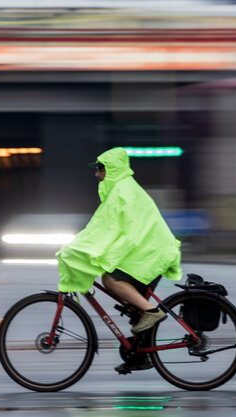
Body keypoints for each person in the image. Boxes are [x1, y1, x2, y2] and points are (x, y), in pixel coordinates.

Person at [55, 147, 183, 373]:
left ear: (112, 169)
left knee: (111, 280)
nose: (97, 175)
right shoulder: (123, 189)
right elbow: (105, 229)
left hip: (150, 253)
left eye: (100, 169)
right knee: (131, 304)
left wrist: (84, 251)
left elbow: (110, 231)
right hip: (149, 251)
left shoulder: (122, 191)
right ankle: (140, 356)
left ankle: (153, 312)